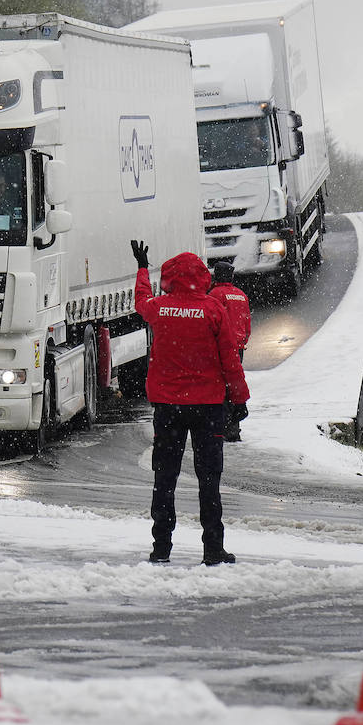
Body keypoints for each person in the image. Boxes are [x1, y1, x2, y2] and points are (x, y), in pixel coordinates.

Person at [131, 239, 250, 566]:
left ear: (169, 277)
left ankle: (161, 548)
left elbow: (141, 300)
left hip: (168, 408)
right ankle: (213, 548)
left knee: (164, 478)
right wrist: (239, 399)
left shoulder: (159, 308)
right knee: (209, 481)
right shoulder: (214, 310)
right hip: (208, 408)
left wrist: (142, 269)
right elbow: (230, 359)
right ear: (202, 276)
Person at [207, 262, 252, 441]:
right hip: (238, 347)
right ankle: (234, 427)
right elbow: (247, 324)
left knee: (221, 387)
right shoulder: (241, 295)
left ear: (216, 276)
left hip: (220, 347)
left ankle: (225, 427)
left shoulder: (214, 295)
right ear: (231, 276)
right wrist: (241, 341)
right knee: (234, 385)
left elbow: (211, 322)